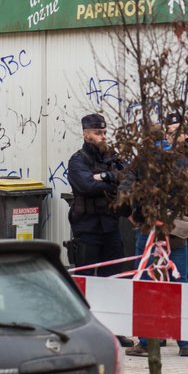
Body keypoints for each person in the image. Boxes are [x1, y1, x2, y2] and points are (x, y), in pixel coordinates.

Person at [125, 115, 188, 358]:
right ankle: (185, 343)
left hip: (150, 230)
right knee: (179, 282)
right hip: (175, 231)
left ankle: (147, 341)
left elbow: (128, 191)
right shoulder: (181, 160)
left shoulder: (142, 162)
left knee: (146, 283)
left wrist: (135, 216)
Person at [67, 112, 128, 278]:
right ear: (86, 135)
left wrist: (105, 176)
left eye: (104, 133)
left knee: (113, 277)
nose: (103, 137)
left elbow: (128, 177)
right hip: (88, 228)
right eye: (97, 133)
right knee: (85, 278)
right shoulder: (78, 161)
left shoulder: (112, 157)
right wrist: (113, 184)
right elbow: (87, 186)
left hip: (111, 226)